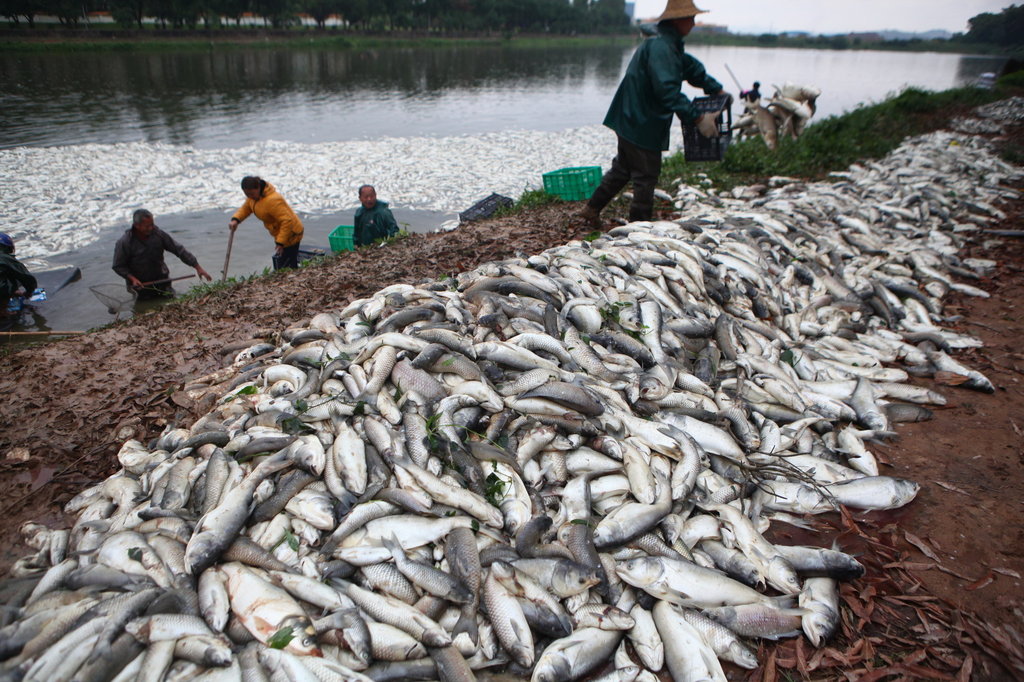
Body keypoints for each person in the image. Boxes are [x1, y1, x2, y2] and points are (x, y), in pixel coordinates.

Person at [577, 0, 728, 225]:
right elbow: (667, 91)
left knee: (623, 169)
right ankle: (640, 228)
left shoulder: (669, 45)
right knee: (646, 175)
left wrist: (715, 88)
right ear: (677, 20)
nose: (694, 23)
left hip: (631, 117)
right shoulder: (661, 48)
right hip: (640, 120)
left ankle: (591, 210)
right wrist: (697, 117)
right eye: (690, 18)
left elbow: (690, 68)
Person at [112, 209, 212, 300]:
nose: (151, 228)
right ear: (137, 226)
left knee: (172, 302)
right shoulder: (125, 243)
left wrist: (198, 267)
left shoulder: (158, 234)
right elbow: (118, 266)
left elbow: (178, 249)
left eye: (152, 224)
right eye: (147, 226)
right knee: (144, 311)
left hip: (162, 280)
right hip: (141, 286)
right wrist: (133, 279)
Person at [229, 176, 305, 270]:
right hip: (279, 232)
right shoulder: (253, 198)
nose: (250, 197)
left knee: (287, 265)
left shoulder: (273, 200)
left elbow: (287, 221)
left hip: (291, 233)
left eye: (252, 194)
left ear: (258, 188)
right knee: (285, 262)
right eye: (247, 194)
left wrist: (280, 243)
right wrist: (235, 220)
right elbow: (246, 208)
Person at [0, 232, 37, 319]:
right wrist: (29, 291)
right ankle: (2, 311)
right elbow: (28, 279)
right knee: (13, 277)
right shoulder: (6, 259)